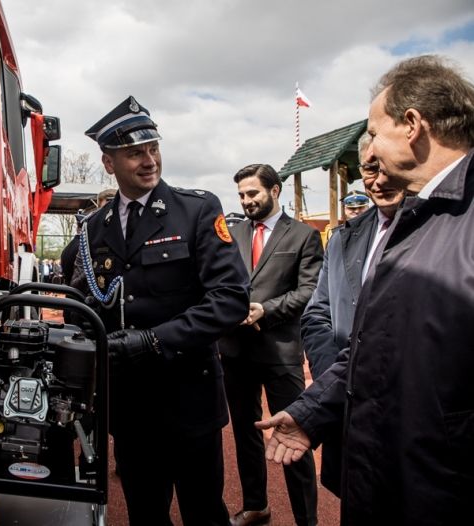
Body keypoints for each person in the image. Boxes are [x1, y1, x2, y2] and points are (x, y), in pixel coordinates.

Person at [257, 54, 474, 525]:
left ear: (412, 125)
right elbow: (378, 347)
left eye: (374, 132)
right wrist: (314, 412)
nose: (369, 151)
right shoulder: (420, 220)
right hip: (386, 472)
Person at [73, 95, 250, 526]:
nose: (149, 160)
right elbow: (84, 301)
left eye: (153, 148)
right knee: (145, 514)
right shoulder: (94, 227)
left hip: (189, 397)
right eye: (135, 152)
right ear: (109, 163)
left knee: (204, 513)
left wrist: (154, 340)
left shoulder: (196, 209)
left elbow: (230, 299)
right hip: (130, 407)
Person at [300, 132, 404, 497]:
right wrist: (338, 381)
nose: (380, 179)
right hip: (348, 402)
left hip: (410, 411)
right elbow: (317, 315)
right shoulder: (343, 238)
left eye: (388, 166)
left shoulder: (435, 229)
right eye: (370, 168)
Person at [218, 164, 322, 526]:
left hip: (280, 352)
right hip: (235, 351)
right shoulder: (231, 234)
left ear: (274, 190)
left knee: (293, 438)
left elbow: (310, 291)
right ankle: (256, 506)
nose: (246, 201)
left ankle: (306, 519)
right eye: (242, 195)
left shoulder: (304, 236)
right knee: (245, 434)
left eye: (253, 193)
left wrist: (267, 309)